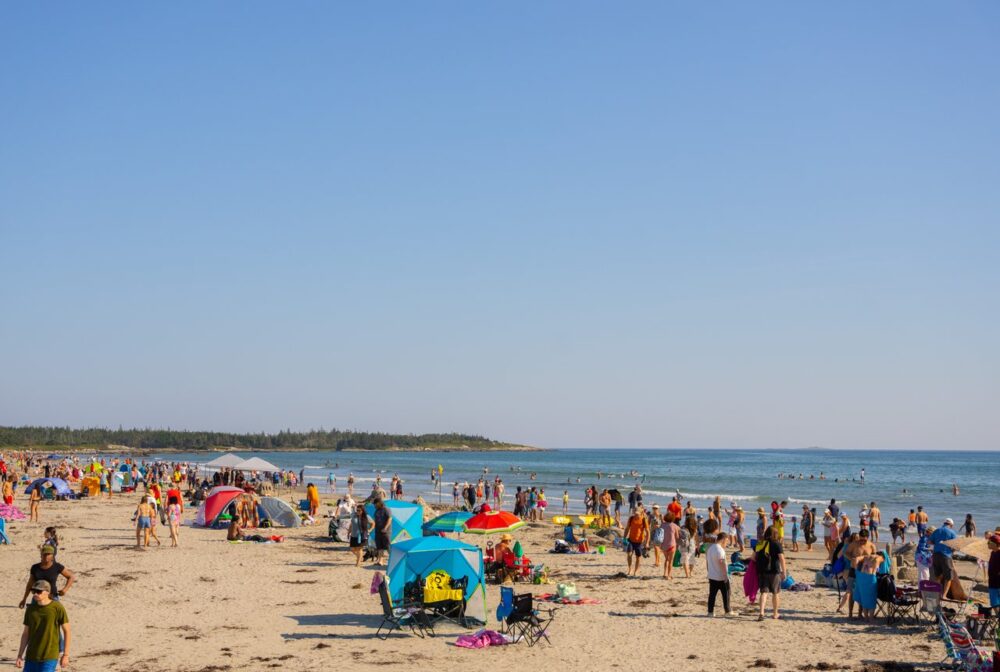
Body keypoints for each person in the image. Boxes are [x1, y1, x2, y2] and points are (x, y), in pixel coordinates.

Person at [16, 580, 70, 672]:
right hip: (31, 656)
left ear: (47, 592)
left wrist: (65, 655)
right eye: (33, 591)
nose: (35, 594)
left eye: (38, 591)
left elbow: (67, 631)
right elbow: (26, 633)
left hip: (49, 656)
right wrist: (20, 655)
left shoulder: (57, 608)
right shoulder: (31, 609)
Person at [755, 526, 785, 621]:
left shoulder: (760, 543)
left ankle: (761, 613)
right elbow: (781, 559)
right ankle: (775, 613)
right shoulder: (777, 544)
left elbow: (753, 557)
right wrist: (784, 572)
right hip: (774, 571)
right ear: (775, 534)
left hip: (762, 571)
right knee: (775, 593)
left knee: (764, 592)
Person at [929, 518, 959, 597]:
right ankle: (944, 595)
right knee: (948, 577)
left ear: (944, 523)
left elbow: (929, 541)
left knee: (938, 576)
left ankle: (938, 593)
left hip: (936, 555)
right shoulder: (952, 532)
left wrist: (937, 544)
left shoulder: (937, 530)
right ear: (951, 525)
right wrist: (952, 551)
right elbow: (955, 546)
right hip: (946, 555)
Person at [706, 532, 731, 617]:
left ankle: (710, 612)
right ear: (723, 539)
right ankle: (727, 611)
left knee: (712, 595)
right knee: (726, 594)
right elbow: (722, 563)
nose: (727, 543)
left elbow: (708, 562)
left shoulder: (710, 548)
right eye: (726, 541)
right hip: (720, 576)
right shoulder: (719, 549)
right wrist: (725, 576)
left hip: (712, 575)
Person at [623, 505, 649, 576]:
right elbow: (627, 528)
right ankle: (630, 569)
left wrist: (647, 543)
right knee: (629, 554)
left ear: (641, 513)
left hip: (639, 542)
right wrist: (624, 537)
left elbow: (648, 532)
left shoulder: (644, 520)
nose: (636, 515)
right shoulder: (631, 518)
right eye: (635, 513)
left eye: (637, 514)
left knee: (638, 557)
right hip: (631, 540)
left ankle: (636, 571)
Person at [659, 513, 681, 580]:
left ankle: (664, 574)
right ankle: (669, 575)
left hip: (663, 545)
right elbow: (677, 537)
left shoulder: (662, 525)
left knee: (666, 560)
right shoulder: (674, 526)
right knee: (670, 561)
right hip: (672, 545)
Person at [372, 499, 391, 566]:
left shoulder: (386, 509)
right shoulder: (377, 510)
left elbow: (389, 519)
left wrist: (385, 528)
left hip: (385, 532)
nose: (374, 505)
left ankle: (392, 560)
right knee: (379, 547)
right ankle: (380, 561)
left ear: (379, 503)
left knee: (388, 546)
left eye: (375, 504)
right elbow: (374, 520)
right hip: (377, 531)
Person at [987, 533, 1000, 608]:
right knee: (994, 604)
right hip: (992, 581)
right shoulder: (992, 553)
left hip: (998, 582)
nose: (987, 544)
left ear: (995, 544)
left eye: (989, 542)